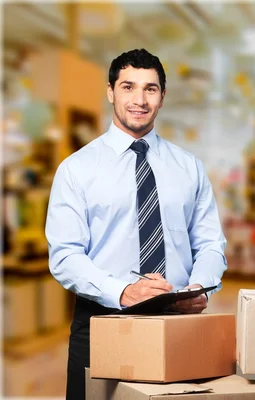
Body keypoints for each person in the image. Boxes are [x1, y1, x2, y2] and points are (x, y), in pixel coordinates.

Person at [45, 49, 227, 399]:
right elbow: (66, 255)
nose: (139, 100)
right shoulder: (76, 169)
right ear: (111, 92)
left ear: (162, 97)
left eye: (151, 89)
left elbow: (209, 243)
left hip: (178, 321)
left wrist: (199, 286)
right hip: (102, 321)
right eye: (128, 87)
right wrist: (125, 292)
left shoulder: (189, 167)